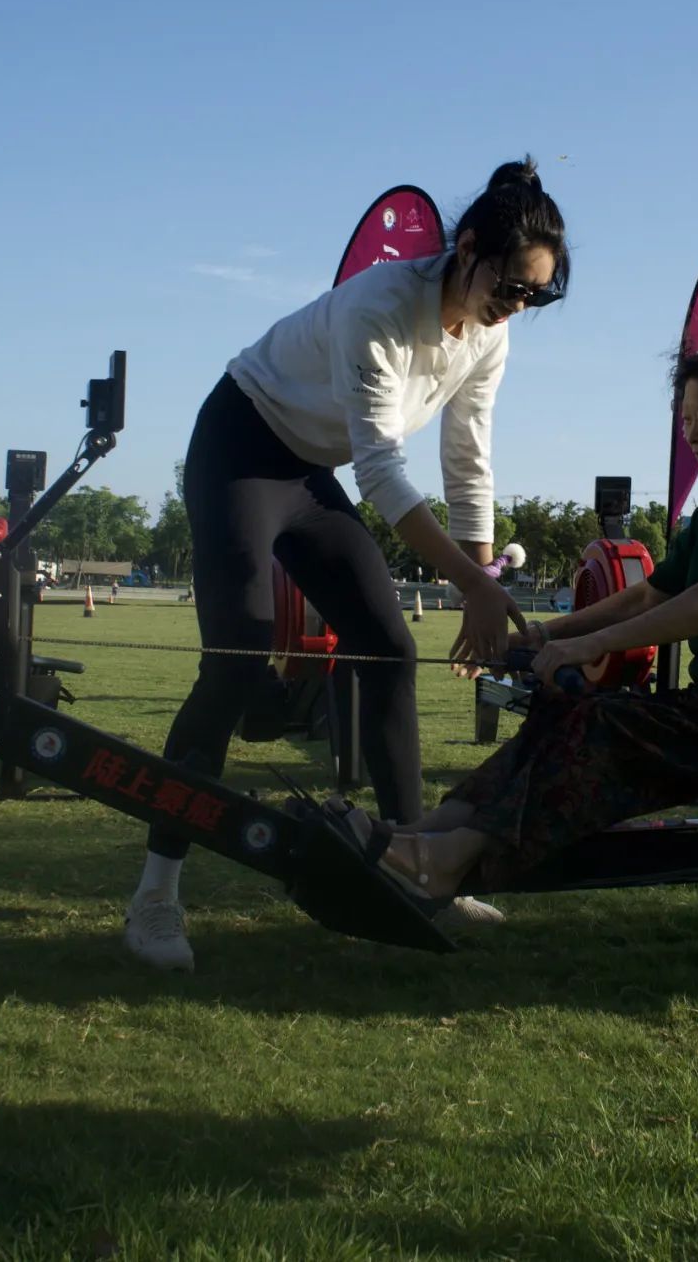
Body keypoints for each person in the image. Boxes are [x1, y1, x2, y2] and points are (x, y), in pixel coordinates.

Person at [124, 157, 571, 969]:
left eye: (536, 297)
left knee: (388, 648)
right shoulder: (379, 304)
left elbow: (468, 459)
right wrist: (468, 583)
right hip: (240, 446)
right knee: (235, 659)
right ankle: (155, 895)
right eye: (512, 287)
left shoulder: (488, 336)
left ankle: (419, 870)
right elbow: (382, 475)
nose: (517, 306)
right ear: (467, 248)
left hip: (308, 473)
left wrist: (481, 584)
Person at [369, 338, 698, 904]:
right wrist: (542, 635)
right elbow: (646, 597)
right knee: (561, 711)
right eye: (685, 419)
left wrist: (593, 645)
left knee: (605, 723)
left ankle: (447, 862)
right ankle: (421, 835)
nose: (692, 434)